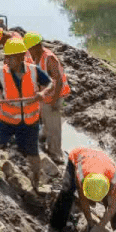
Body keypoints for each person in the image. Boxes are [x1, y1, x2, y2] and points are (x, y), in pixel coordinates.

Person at [0, 33, 52, 190]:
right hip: (6, 120)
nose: (7, 60)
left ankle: (36, 181)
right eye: (6, 57)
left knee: (33, 154)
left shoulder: (34, 71)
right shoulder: (1, 73)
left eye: (11, 57)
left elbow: (50, 83)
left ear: (21, 56)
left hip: (29, 123)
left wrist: (42, 93)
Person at [50, 146, 116, 232]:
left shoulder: (114, 179)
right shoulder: (81, 175)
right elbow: (83, 200)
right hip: (79, 156)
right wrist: (90, 222)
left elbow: (112, 207)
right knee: (67, 190)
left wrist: (100, 226)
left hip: (103, 162)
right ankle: (56, 226)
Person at [24, 32, 70, 163]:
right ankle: (43, 136)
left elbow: (59, 81)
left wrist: (54, 101)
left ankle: (56, 153)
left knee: (54, 126)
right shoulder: (35, 56)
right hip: (45, 95)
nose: (28, 51)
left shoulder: (49, 58)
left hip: (55, 95)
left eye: (29, 48)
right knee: (44, 117)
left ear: (36, 46)